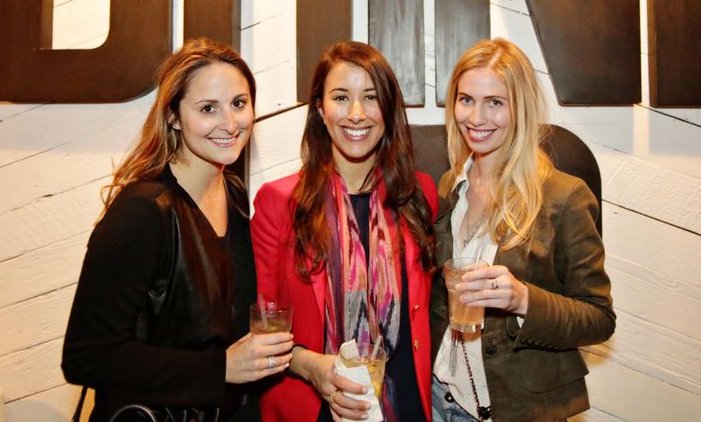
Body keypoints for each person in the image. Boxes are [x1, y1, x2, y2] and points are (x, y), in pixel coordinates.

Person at [63, 38, 293, 422]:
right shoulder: (142, 212)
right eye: (208, 108)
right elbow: (86, 357)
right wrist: (220, 369)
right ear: (173, 116)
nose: (230, 123)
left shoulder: (233, 193)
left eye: (239, 103)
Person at [429, 38, 615, 422]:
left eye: (495, 102)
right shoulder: (450, 185)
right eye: (466, 100)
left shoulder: (563, 197)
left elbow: (599, 319)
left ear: (521, 108)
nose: (476, 117)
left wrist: (523, 299)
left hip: (516, 409)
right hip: (439, 397)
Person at [251, 41, 438, 422]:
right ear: (320, 110)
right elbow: (260, 327)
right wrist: (311, 367)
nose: (356, 114)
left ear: (388, 109)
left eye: (371, 97)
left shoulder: (418, 193)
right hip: (315, 410)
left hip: (406, 407)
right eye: (340, 97)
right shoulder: (279, 202)